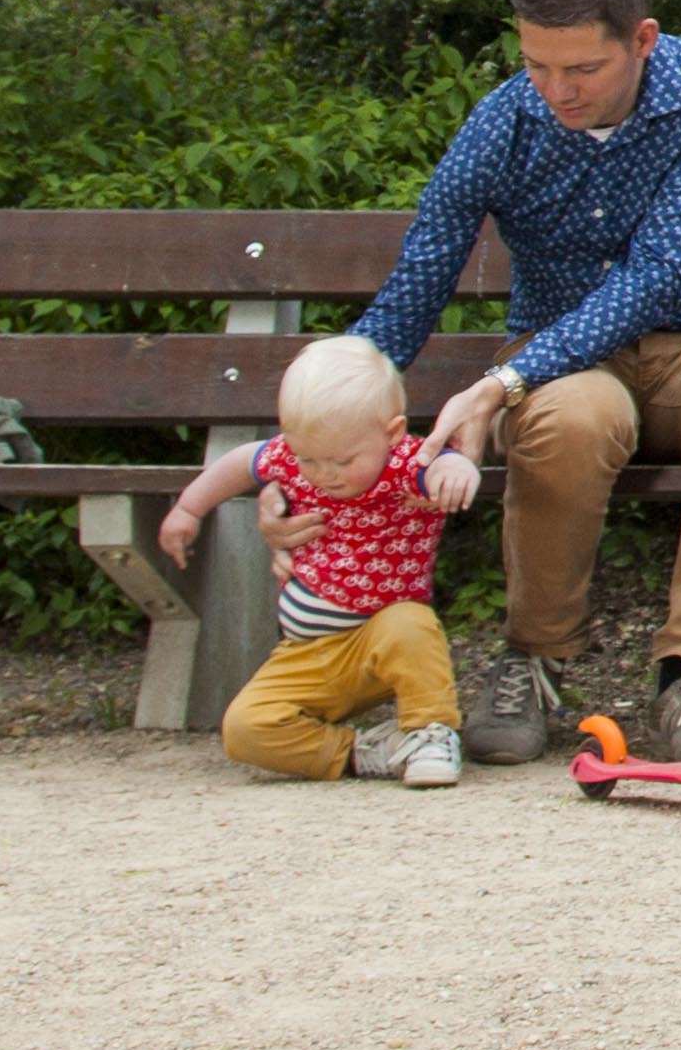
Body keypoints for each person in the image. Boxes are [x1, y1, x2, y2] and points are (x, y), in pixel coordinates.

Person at [348, 0, 681, 771]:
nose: (555, 90)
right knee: (570, 420)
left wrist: (499, 381)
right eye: (537, 65)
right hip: (567, 365)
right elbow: (426, 264)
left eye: (580, 70)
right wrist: (325, 422)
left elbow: (667, 268)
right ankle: (534, 660)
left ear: (643, 40)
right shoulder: (505, 119)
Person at [160, 335, 479, 785]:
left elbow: (444, 464)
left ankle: (429, 732)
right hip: (306, 654)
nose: (324, 473)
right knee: (245, 729)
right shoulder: (292, 459)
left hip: (378, 640)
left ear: (391, 433)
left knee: (410, 623)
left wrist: (457, 471)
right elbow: (238, 463)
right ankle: (364, 752)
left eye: (341, 461)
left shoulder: (404, 463)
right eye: (309, 458)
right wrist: (189, 509)